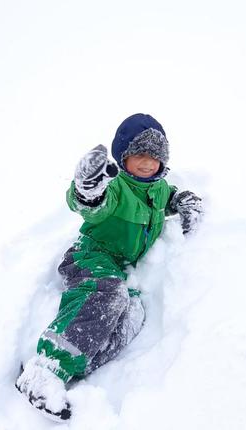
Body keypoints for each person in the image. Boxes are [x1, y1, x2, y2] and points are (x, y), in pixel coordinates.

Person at [15, 113, 203, 421]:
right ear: (123, 158)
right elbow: (91, 204)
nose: (147, 164)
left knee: (134, 313)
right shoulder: (116, 188)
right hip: (91, 256)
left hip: (120, 268)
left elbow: (167, 198)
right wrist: (88, 190)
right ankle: (46, 369)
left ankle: (78, 363)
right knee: (109, 292)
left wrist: (183, 200)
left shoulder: (158, 189)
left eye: (155, 158)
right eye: (139, 156)